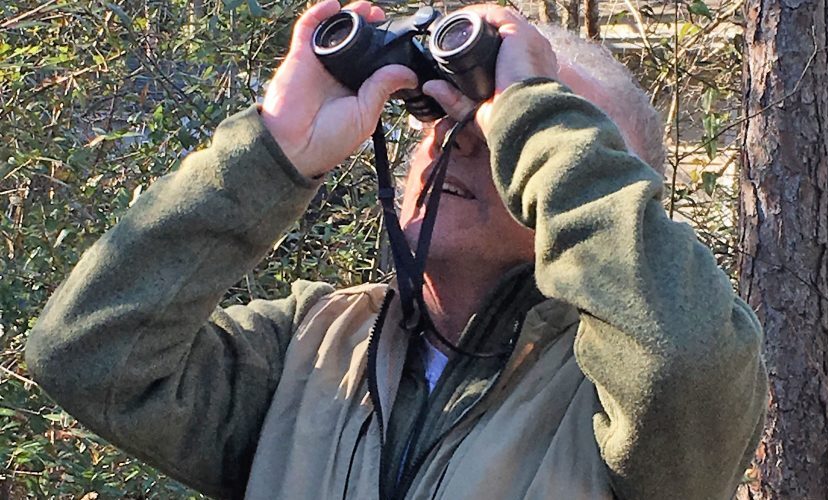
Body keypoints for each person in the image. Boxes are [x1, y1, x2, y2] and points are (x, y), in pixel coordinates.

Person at [25, 1, 767, 499]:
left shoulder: (622, 401)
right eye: (440, 124)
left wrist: (534, 112)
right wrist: (273, 150)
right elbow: (87, 353)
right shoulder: (308, 347)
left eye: (502, 137)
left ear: (592, 183)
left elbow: (683, 353)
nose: (456, 141)